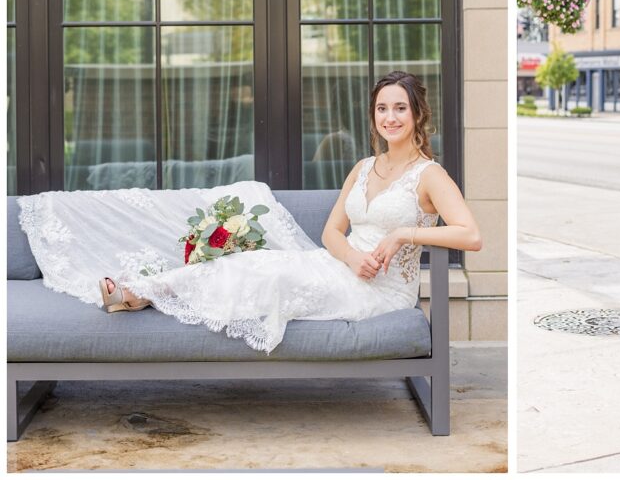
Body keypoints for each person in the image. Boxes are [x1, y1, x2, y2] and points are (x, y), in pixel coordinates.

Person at [99, 71, 482, 354]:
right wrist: (350, 256)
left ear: (418, 114)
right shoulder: (364, 167)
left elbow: (471, 235)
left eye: (400, 108)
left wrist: (402, 235)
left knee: (272, 277)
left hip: (383, 289)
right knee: (256, 264)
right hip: (341, 267)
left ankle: (142, 292)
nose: (390, 118)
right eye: (382, 108)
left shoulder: (430, 175)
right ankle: (145, 291)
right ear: (373, 115)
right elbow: (333, 231)